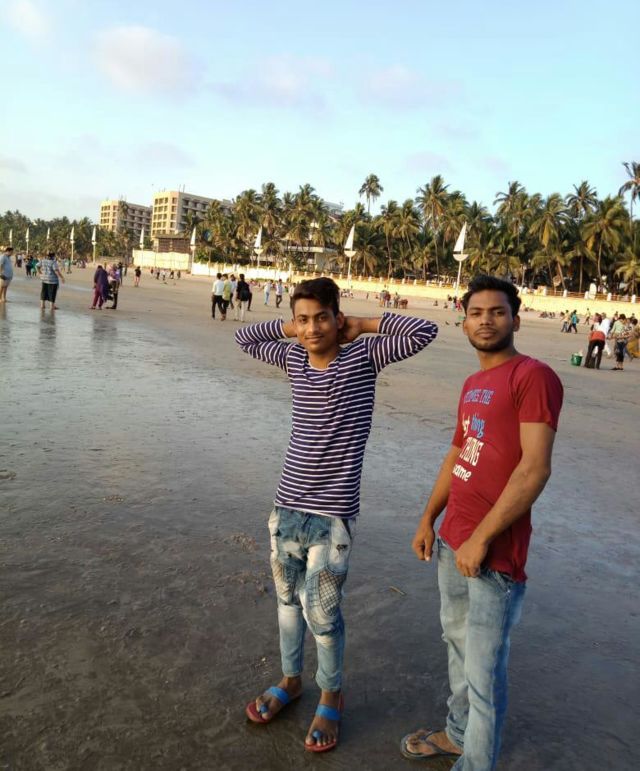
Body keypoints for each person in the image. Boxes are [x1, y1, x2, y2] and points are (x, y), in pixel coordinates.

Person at [237, 277, 438, 752]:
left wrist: (362, 325)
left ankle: (331, 694)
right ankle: (290, 681)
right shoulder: (293, 358)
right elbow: (245, 337)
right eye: (303, 320)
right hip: (286, 507)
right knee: (287, 603)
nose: (312, 328)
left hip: (332, 518)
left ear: (337, 317)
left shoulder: (363, 358)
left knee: (322, 613)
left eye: (321, 318)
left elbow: (423, 332)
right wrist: (291, 329)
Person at [403, 275, 563, 770]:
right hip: (454, 539)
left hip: (493, 553)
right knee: (456, 647)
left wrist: (482, 538)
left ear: (516, 319)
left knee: (483, 670)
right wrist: (429, 518)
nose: (486, 321)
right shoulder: (473, 384)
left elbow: (535, 468)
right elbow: (459, 453)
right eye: (476, 313)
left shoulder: (532, 376)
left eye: (497, 312)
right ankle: (457, 734)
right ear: (464, 322)